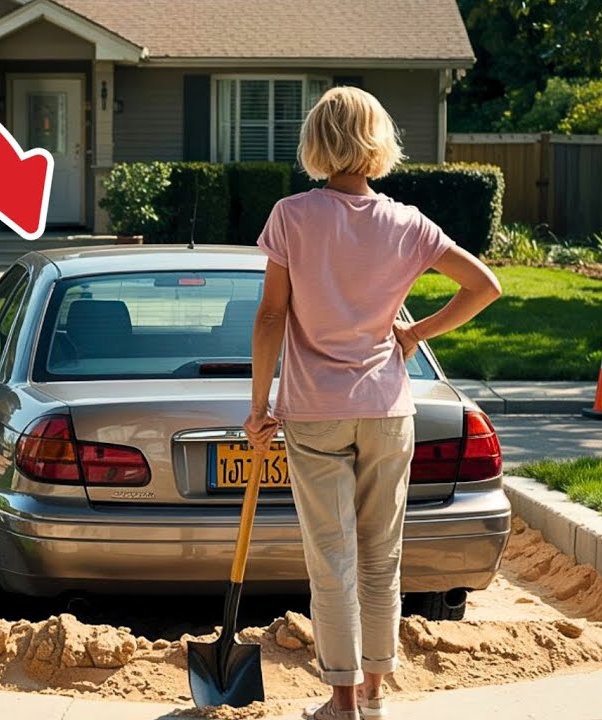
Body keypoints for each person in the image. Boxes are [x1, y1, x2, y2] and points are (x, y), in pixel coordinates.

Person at [244, 87, 502, 719]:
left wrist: (258, 406)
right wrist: (416, 334)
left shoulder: (291, 216)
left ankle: (341, 703)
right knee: (381, 553)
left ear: (316, 144)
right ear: (378, 143)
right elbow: (484, 286)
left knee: (330, 558)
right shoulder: (407, 223)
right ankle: (376, 694)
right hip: (389, 410)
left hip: (313, 412)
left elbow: (272, 314)